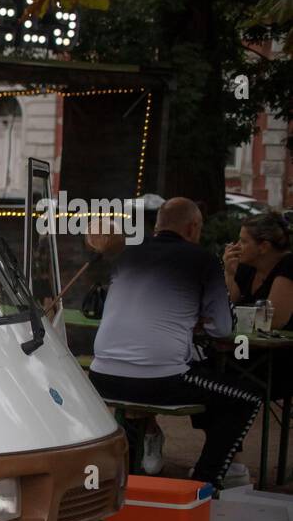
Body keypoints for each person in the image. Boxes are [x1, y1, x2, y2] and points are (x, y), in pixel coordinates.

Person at [87, 197, 261, 489]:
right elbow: (222, 329)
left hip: (102, 376)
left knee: (193, 382)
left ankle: (130, 473)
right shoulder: (203, 260)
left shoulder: (128, 256)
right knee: (247, 398)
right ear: (193, 227)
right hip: (159, 380)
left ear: (157, 226)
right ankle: (205, 483)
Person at [225, 211, 293, 328]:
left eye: (243, 241)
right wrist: (229, 273)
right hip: (245, 344)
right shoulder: (247, 266)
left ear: (264, 247)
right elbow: (224, 310)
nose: (236, 246)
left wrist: (236, 317)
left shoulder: (289, 264)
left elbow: (273, 320)